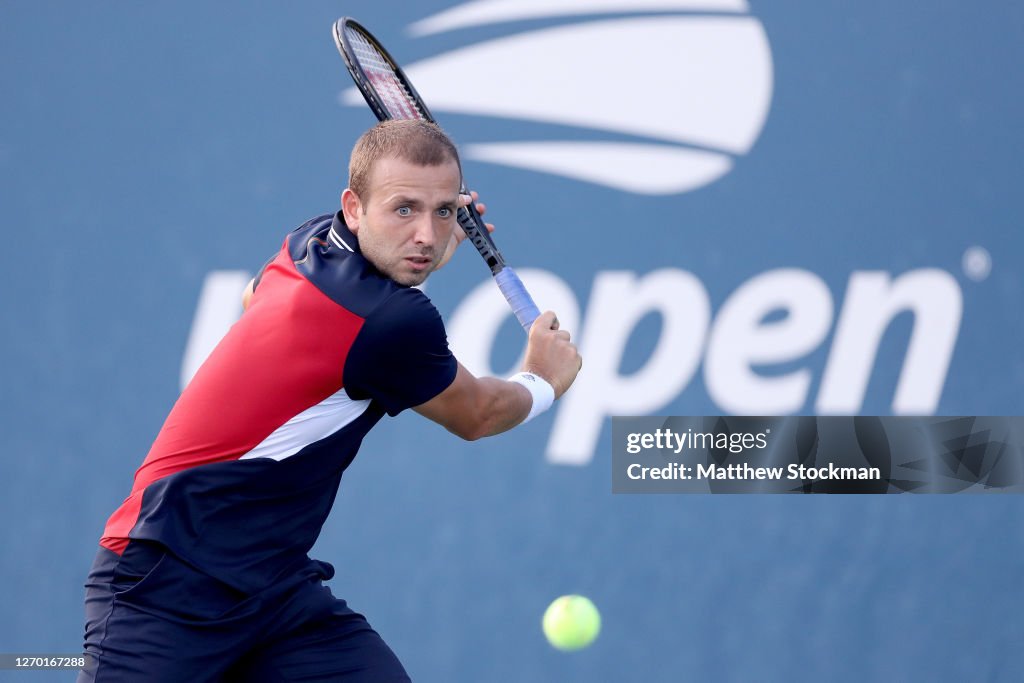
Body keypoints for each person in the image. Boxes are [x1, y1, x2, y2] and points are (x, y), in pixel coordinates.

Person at [79, 119, 581, 682]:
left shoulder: (309, 240)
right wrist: (543, 377)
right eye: (404, 209)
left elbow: (258, 298)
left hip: (273, 591)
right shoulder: (394, 321)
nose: (426, 234)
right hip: (164, 581)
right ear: (354, 206)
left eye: (443, 213)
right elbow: (478, 414)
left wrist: (408, 249)